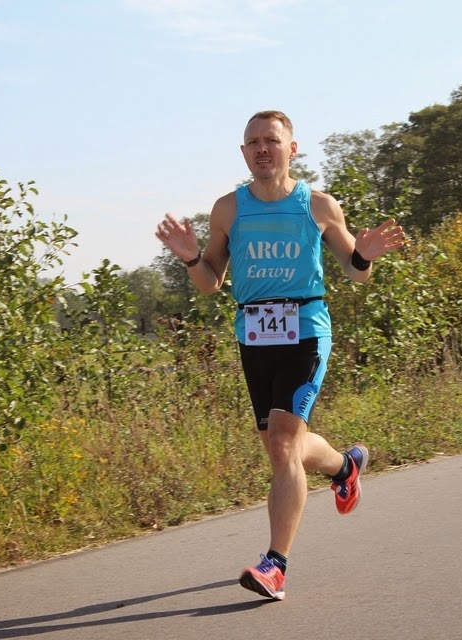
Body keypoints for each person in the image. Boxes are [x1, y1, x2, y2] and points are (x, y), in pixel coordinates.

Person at [155, 110, 405, 601]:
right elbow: (210, 283)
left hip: (305, 330)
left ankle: (275, 565)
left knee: (285, 443)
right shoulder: (228, 209)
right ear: (243, 153)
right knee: (281, 447)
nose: (262, 149)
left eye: (271, 140)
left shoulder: (318, 205)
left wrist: (365, 254)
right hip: (254, 334)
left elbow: (355, 271)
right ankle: (345, 467)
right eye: (253, 142)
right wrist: (190, 257)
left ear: (292, 148)